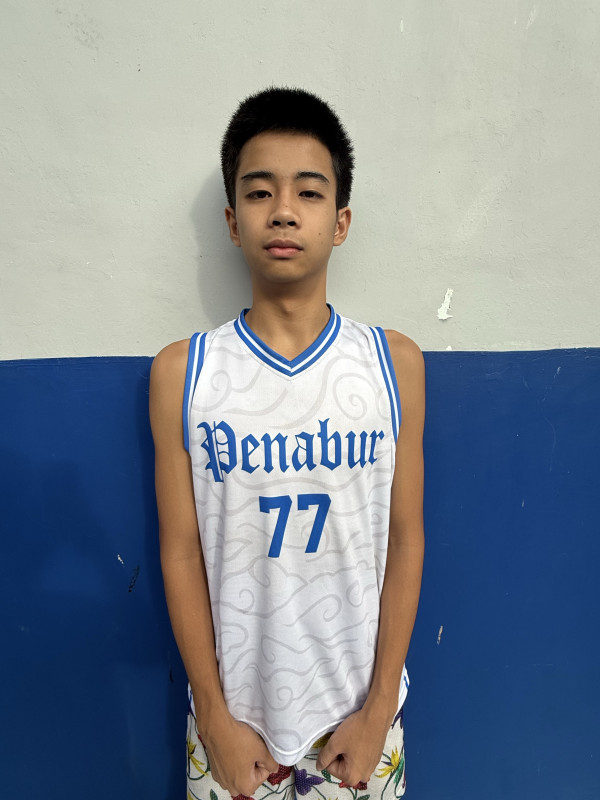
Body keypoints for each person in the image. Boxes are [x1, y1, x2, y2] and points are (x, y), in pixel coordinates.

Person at [149, 87, 425, 800]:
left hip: (359, 726)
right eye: (259, 191)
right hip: (233, 730)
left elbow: (405, 540)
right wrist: (214, 717)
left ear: (340, 221)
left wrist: (378, 710)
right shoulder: (183, 373)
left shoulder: (393, 364)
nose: (282, 210)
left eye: (308, 191)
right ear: (232, 221)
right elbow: (180, 551)